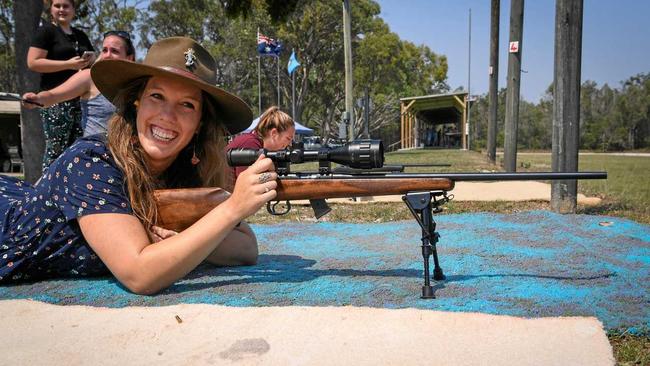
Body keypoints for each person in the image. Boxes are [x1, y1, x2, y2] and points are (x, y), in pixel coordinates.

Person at [0, 37, 277, 295]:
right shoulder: (90, 160)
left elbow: (246, 249)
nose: (167, 116)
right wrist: (232, 208)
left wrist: (181, 236)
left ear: (200, 124)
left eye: (187, 105)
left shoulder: (182, 170)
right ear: (137, 103)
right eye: (157, 96)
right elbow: (139, 274)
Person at [22, 31, 136, 137]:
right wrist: (37, 99)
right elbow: (53, 96)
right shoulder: (89, 77)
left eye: (114, 51)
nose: (107, 55)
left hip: (126, 153)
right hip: (95, 152)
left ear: (129, 58)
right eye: (104, 50)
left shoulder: (136, 85)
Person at [27, 0, 95, 169]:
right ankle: (47, 191)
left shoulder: (80, 35)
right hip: (55, 100)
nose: (62, 9)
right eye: (57, 6)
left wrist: (90, 60)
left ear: (73, 10)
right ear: (51, 9)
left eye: (66, 6)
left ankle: (70, 190)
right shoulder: (46, 32)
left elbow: (92, 64)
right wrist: (67, 64)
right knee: (56, 149)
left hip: (80, 101)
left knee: (77, 149)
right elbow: (33, 62)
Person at [226, 106, 295, 185]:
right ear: (274, 133)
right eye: (288, 138)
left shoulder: (259, 146)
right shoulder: (250, 144)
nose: (290, 144)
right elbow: (247, 186)